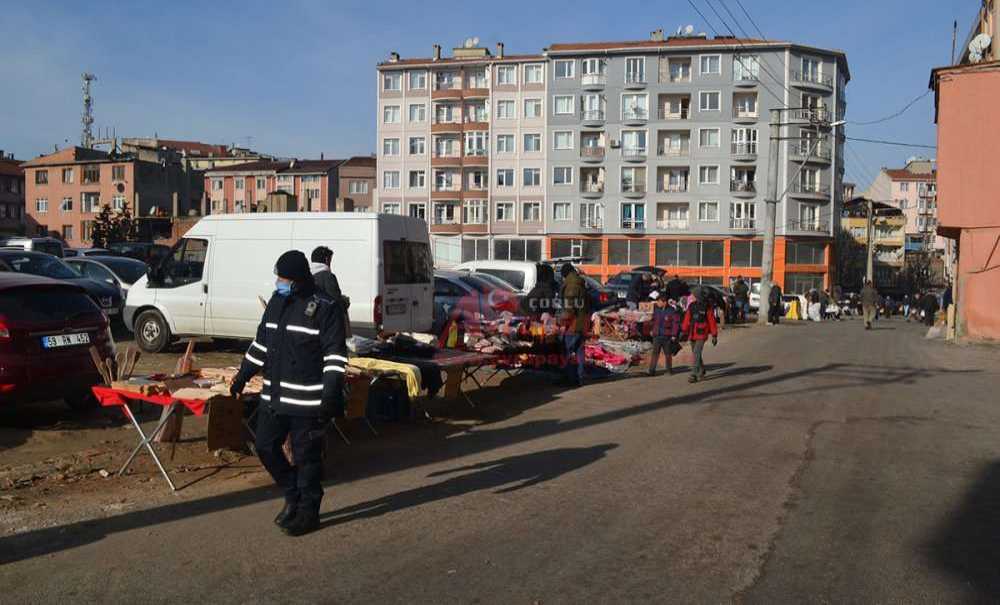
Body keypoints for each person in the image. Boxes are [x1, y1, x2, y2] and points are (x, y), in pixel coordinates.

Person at [230, 250, 348, 537]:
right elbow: (261, 344)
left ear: (297, 279)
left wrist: (330, 396)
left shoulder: (325, 306)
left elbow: (335, 356)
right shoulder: (277, 302)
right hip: (275, 395)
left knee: (307, 458)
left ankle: (309, 510)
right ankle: (292, 491)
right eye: (277, 278)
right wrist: (243, 375)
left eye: (283, 278)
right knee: (265, 447)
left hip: (308, 400)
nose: (278, 283)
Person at [559, 263, 589, 386]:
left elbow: (569, 307)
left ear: (565, 274)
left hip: (574, 324)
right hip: (581, 322)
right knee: (579, 350)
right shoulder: (579, 282)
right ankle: (579, 377)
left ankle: (570, 378)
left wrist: (563, 323)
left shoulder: (572, 285)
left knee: (568, 350)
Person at [681, 287, 718, 383]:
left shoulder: (707, 307)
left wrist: (714, 335)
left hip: (702, 333)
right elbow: (687, 319)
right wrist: (683, 330)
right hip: (692, 332)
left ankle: (694, 374)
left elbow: (712, 321)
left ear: (698, 296)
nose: (692, 296)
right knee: (696, 353)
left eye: (694, 295)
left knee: (696, 353)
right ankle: (701, 370)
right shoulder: (691, 306)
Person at [647, 291, 680, 376]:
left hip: (667, 336)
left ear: (664, 302)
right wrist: (651, 330)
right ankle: (651, 371)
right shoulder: (655, 309)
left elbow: (675, 324)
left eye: (659, 301)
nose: (657, 303)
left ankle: (669, 370)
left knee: (668, 354)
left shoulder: (672, 311)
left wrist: (674, 335)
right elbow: (651, 321)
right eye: (657, 301)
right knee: (655, 354)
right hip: (656, 335)